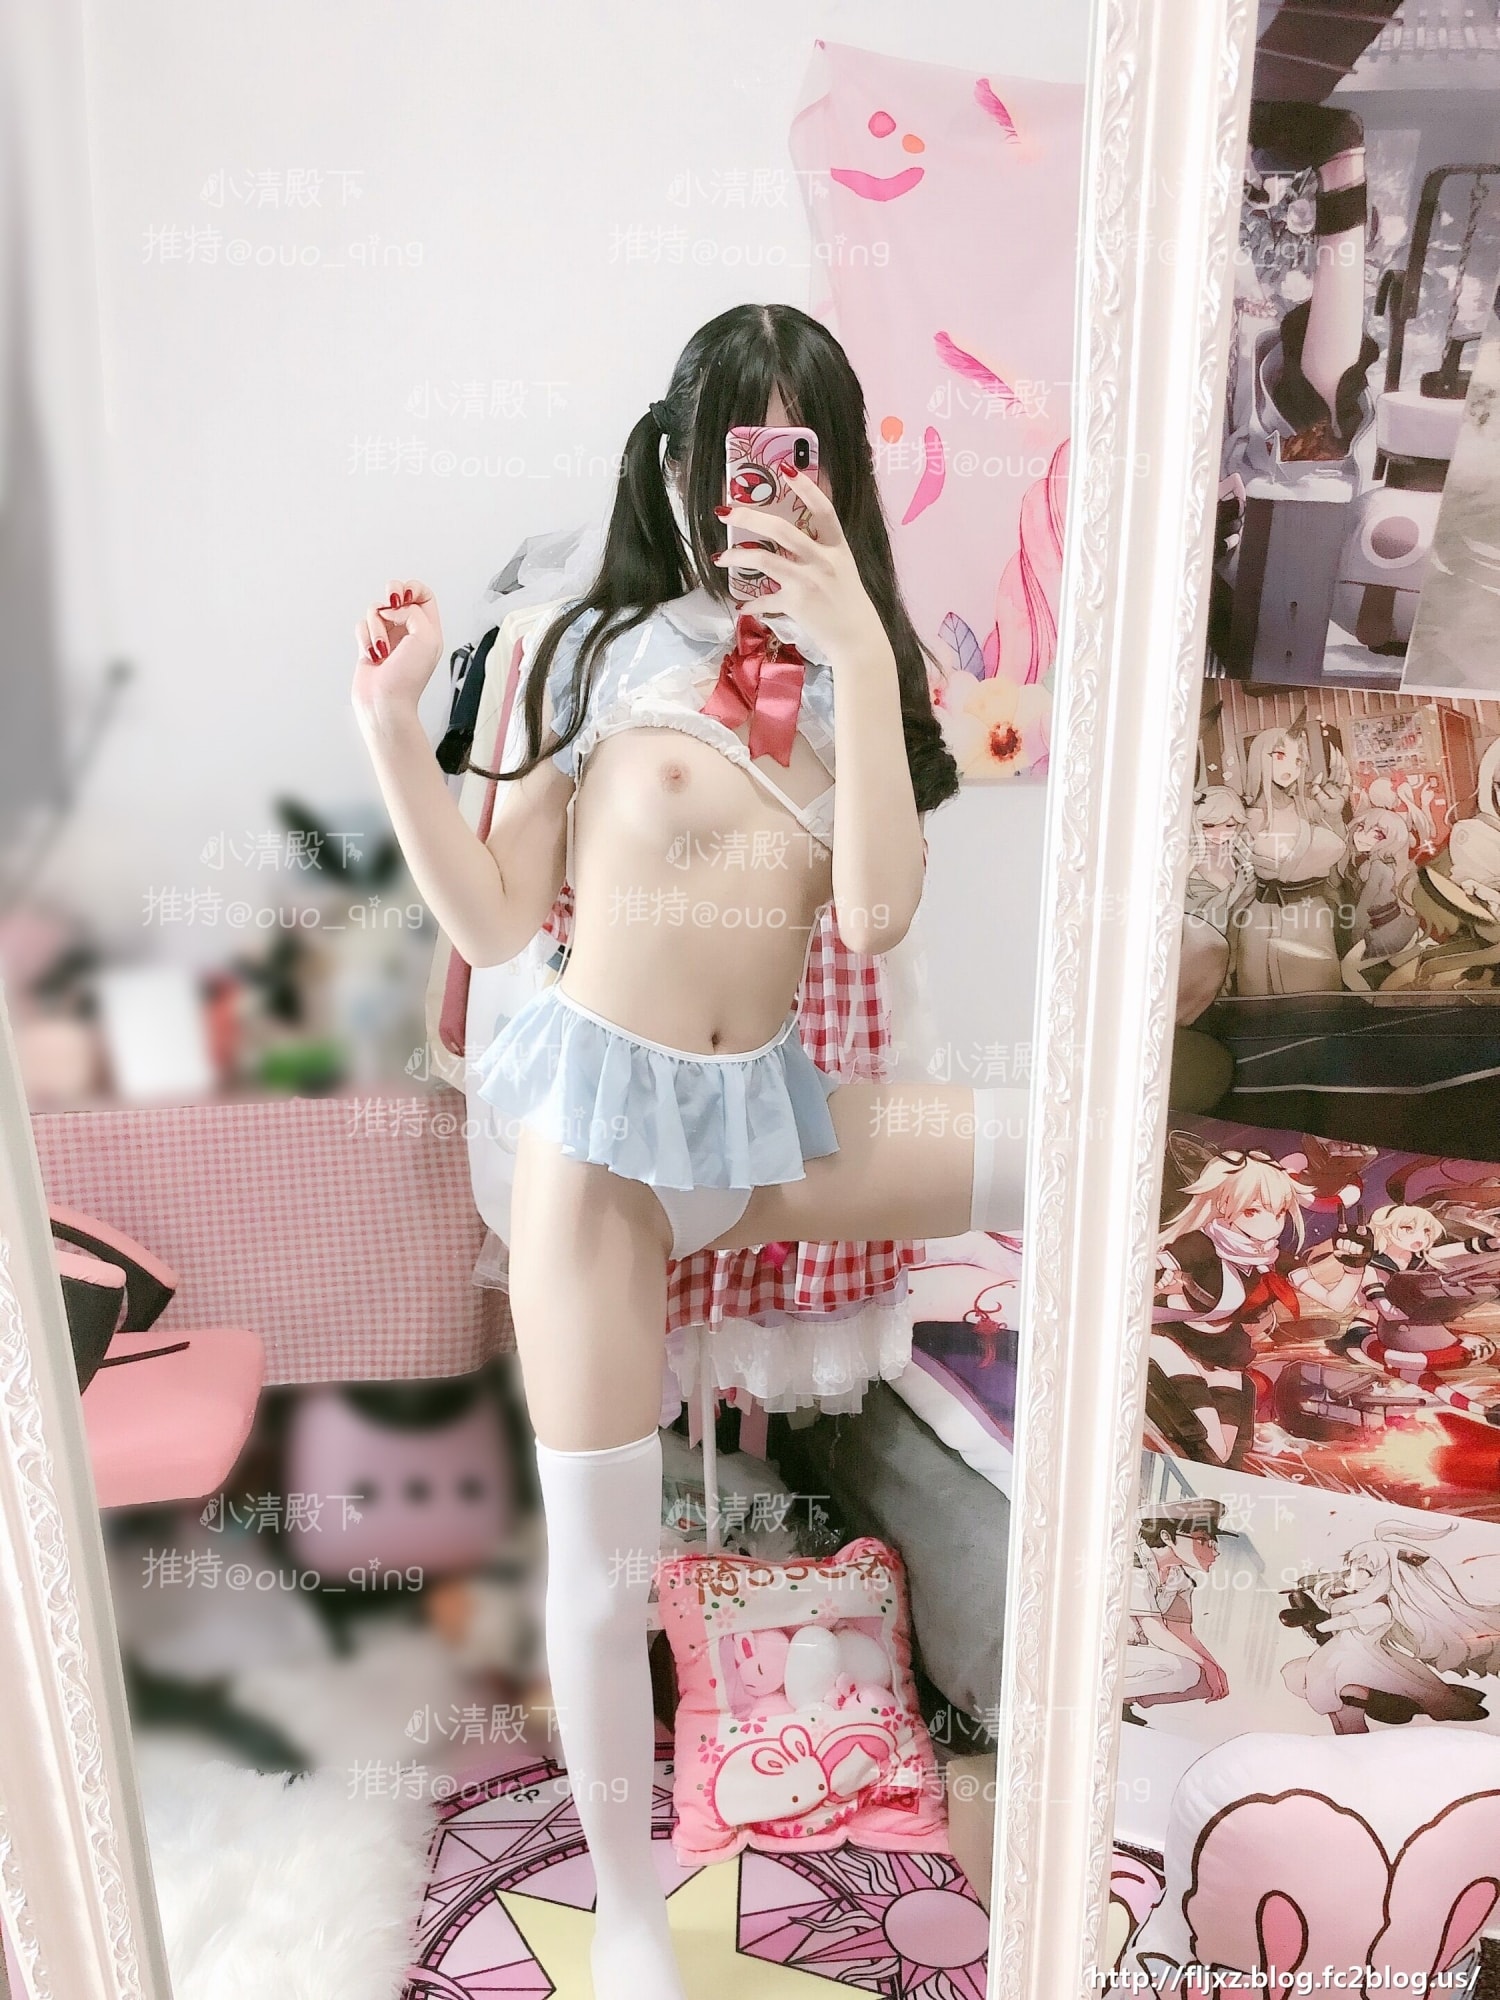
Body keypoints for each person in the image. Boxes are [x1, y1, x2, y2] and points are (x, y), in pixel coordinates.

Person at [351, 303, 1029, 2000]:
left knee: (1056, 1151)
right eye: (741, 450)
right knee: (601, 1574)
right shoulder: (586, 652)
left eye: (802, 453)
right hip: (600, 1153)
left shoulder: (855, 683)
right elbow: (495, 919)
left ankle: (1096, 1588)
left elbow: (874, 916)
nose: (767, 491)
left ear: (840, 473)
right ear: (679, 463)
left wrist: (855, 644)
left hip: (764, 1125)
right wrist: (391, 729)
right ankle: (635, 1931)